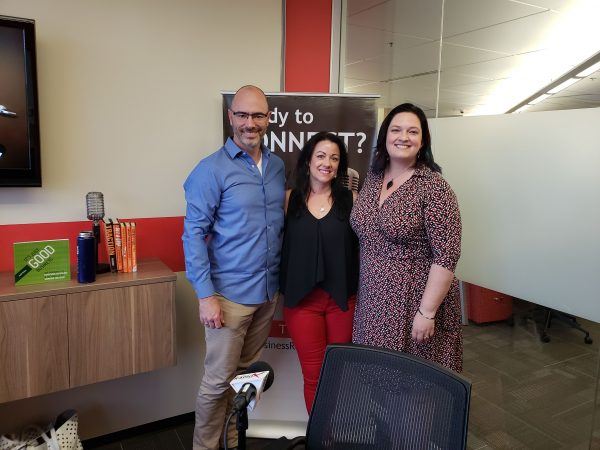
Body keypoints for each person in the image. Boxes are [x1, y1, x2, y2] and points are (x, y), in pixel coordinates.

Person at [182, 85, 285, 450]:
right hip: (227, 299)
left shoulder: (277, 167)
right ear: (230, 117)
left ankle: (230, 440)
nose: (249, 123)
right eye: (242, 115)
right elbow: (193, 235)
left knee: (242, 378)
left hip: (266, 294)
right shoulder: (210, 170)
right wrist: (205, 296)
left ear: (268, 119)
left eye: (257, 115)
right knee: (216, 383)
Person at [350, 103, 462, 372]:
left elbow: (446, 256)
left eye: (413, 131)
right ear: (384, 136)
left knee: (411, 383)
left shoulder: (434, 187)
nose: (403, 137)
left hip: (413, 303)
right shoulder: (374, 178)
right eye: (396, 130)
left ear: (423, 141)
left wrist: (427, 312)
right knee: (374, 375)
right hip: (372, 301)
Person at [280, 132, 358, 413]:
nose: (327, 163)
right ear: (308, 161)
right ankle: (319, 434)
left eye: (334, 158)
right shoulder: (289, 199)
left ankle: (334, 429)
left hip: (342, 303)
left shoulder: (352, 199)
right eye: (321, 156)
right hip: (302, 304)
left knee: (338, 373)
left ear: (340, 166)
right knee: (313, 377)